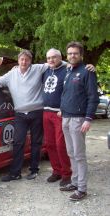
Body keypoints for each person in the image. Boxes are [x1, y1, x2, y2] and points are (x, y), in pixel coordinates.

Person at [0, 50, 48, 181]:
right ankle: (15, 173)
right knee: (18, 142)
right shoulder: (12, 73)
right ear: (18, 60)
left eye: (27, 59)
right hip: (20, 114)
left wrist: (79, 66)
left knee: (36, 143)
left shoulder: (38, 69)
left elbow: (54, 62)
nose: (24, 62)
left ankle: (34, 170)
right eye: (22, 59)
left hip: (36, 111)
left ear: (30, 61)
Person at [59, 41, 99, 201]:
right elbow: (67, 93)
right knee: (70, 153)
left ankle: (82, 189)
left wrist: (88, 118)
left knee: (79, 155)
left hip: (79, 119)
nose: (72, 56)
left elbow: (93, 97)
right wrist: (62, 108)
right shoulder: (68, 70)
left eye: (75, 53)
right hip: (66, 117)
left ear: (81, 55)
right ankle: (75, 182)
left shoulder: (87, 71)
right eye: (69, 53)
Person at [43, 48, 72, 186]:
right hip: (46, 112)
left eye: (54, 57)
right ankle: (56, 171)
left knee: (61, 144)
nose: (51, 60)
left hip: (60, 113)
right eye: (48, 58)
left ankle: (67, 173)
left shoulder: (68, 69)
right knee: (49, 144)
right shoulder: (46, 69)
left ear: (61, 57)